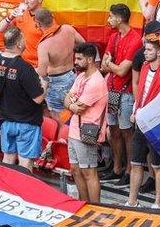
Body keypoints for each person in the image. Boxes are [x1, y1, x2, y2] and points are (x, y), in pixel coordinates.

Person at [127, 39, 160, 208]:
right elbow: (140, 93)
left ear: (159, 51)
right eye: (145, 49)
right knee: (136, 163)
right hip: (140, 122)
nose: (145, 53)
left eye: (148, 50)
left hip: (155, 126)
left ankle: (158, 203)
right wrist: (135, 111)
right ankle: (132, 201)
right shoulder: (145, 67)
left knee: (158, 165)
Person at [100, 3, 143, 186]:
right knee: (114, 131)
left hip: (126, 92)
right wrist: (112, 65)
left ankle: (129, 170)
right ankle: (116, 167)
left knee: (127, 133)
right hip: (111, 90)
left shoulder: (135, 40)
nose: (109, 20)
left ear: (119, 18)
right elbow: (104, 65)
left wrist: (111, 65)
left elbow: (122, 71)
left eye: (110, 17)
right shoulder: (114, 37)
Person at [0, 28, 45, 171]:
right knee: (25, 163)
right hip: (26, 123)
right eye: (24, 39)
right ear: (19, 44)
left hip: (6, 121)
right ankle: (22, 191)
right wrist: (44, 85)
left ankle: (7, 190)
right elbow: (38, 98)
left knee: (8, 160)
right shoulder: (24, 67)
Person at [64, 43, 108, 203]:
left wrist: (72, 104)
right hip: (75, 131)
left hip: (87, 133)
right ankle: (84, 204)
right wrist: (71, 104)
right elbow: (67, 99)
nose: (76, 61)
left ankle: (95, 209)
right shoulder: (81, 76)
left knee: (89, 173)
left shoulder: (95, 82)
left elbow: (79, 107)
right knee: (76, 170)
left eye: (79, 58)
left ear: (90, 60)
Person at [35, 8, 85, 122]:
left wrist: (30, 70)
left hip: (56, 84)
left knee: (59, 117)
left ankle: (63, 138)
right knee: (74, 112)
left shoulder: (44, 45)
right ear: (52, 16)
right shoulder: (68, 29)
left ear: (37, 24)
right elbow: (83, 44)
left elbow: (42, 72)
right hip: (73, 77)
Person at [0, 0, 44, 68]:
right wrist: (10, 17)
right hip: (19, 63)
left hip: (36, 66)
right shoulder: (21, 13)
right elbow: (0, 29)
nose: (26, 2)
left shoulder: (46, 18)